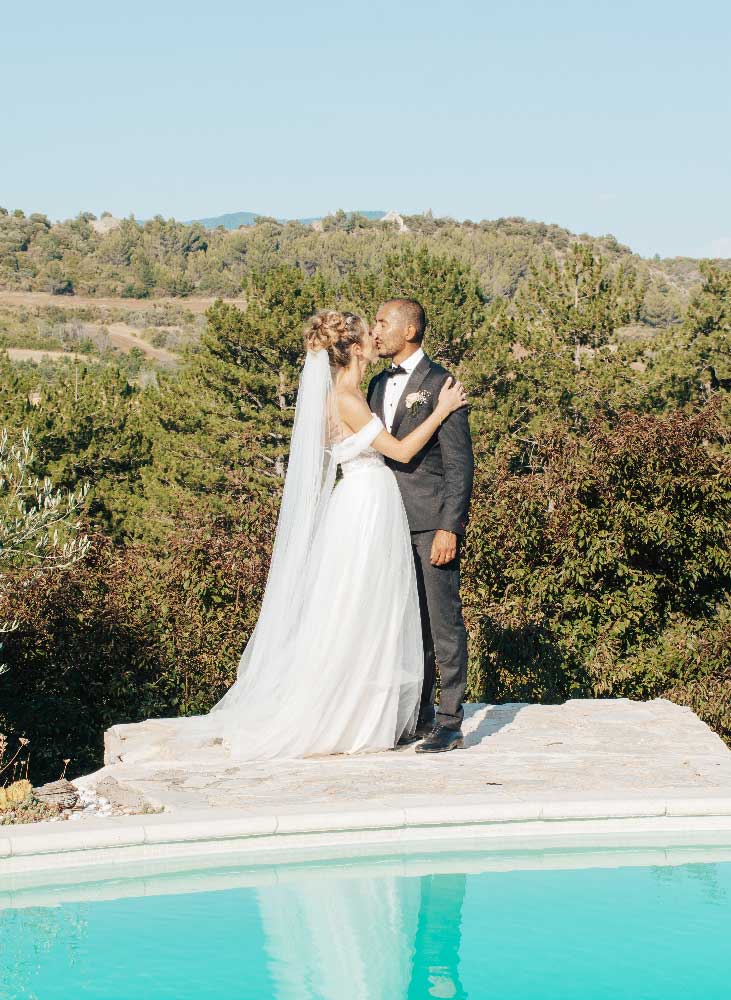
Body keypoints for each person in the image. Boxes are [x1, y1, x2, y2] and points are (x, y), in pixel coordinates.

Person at [105, 310, 467, 763]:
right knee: (359, 609)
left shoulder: (352, 393)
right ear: (354, 349)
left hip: (365, 505)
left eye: (380, 324)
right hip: (366, 504)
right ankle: (356, 715)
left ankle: (402, 715)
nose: (375, 334)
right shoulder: (354, 396)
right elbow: (401, 449)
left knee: (370, 611)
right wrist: (441, 410)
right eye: (368, 330)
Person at [368, 299, 474, 754]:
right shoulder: (375, 384)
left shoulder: (440, 384)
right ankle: (418, 715)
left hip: (431, 525)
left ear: (409, 329)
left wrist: (450, 527)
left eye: (382, 322)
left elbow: (460, 465)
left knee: (442, 623)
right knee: (403, 625)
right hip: (385, 523)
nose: (375, 330)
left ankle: (449, 721)